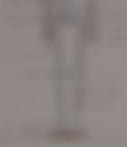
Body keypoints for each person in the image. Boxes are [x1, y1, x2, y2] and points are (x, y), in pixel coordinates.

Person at [39, 0, 98, 138]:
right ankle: (62, 123)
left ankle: (75, 122)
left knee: (77, 74)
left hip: (78, 20)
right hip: (60, 19)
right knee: (61, 74)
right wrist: (48, 25)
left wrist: (91, 25)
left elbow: (90, 5)